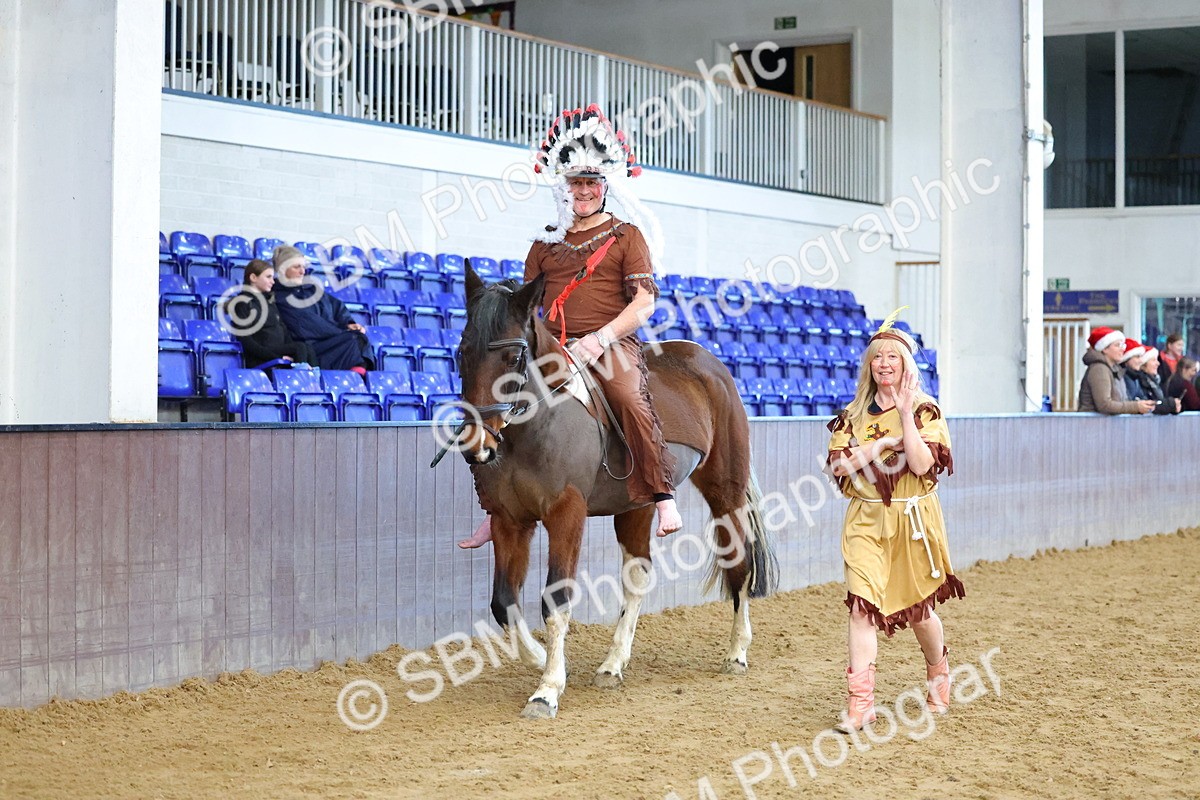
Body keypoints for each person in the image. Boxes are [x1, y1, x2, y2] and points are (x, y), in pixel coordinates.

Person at [458, 104, 681, 549]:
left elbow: (644, 303)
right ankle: (496, 505)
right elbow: (524, 308)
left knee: (628, 399)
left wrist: (599, 339)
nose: (582, 191)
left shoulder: (626, 236)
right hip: (550, 346)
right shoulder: (544, 243)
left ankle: (661, 494)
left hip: (611, 343)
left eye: (590, 183)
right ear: (563, 188)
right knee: (495, 403)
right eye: (575, 183)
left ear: (604, 187)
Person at [825, 315, 963, 732]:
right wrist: (879, 444)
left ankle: (938, 671)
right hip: (865, 520)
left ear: (905, 365)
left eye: (892, 357)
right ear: (869, 366)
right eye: (877, 357)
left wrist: (904, 419)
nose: (884, 363)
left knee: (918, 611)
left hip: (913, 519)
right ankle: (860, 705)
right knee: (861, 608)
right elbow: (839, 467)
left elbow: (923, 464)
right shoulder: (851, 415)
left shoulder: (925, 410)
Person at [271, 245, 375, 375]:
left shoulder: (312, 289)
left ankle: (358, 377)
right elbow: (310, 327)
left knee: (359, 338)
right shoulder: (279, 297)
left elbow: (337, 307)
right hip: (312, 350)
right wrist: (343, 330)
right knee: (354, 339)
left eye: (303, 267)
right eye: (296, 267)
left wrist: (348, 323)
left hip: (332, 341)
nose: (302, 272)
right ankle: (355, 378)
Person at [223, 259, 319, 369]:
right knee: (299, 348)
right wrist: (276, 357)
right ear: (253, 278)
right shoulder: (242, 303)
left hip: (276, 353)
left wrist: (288, 352)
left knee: (307, 348)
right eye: (268, 277)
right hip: (260, 358)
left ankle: (314, 380)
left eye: (272, 277)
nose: (273, 282)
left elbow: (284, 330)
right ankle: (302, 380)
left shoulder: (269, 302)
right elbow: (246, 342)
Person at [1078, 327, 1155, 415]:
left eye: (1122, 345)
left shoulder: (1112, 369)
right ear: (1105, 349)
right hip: (1093, 425)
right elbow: (1104, 405)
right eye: (1117, 345)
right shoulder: (1099, 369)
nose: (1122, 349)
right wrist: (1136, 407)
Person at [1129, 345, 1180, 415]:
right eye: (1153, 360)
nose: (1158, 364)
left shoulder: (1154, 383)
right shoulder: (1140, 382)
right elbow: (1149, 405)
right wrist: (1170, 404)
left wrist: (1172, 406)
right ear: (1144, 364)